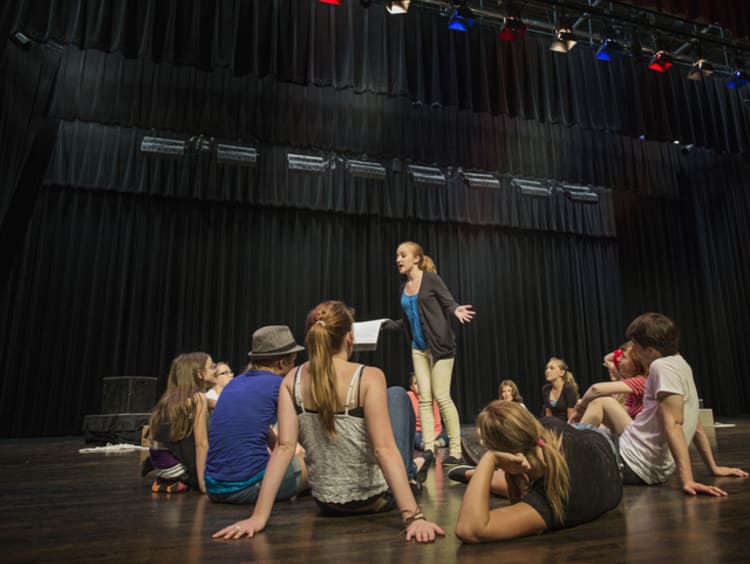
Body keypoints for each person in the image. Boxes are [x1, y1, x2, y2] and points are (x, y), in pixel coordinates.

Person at [213, 300, 444, 543]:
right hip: (377, 500)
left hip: (326, 503)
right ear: (349, 338)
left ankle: (411, 470)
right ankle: (409, 474)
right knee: (397, 395)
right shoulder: (369, 376)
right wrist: (413, 517)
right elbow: (383, 449)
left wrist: (258, 517)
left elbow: (283, 449)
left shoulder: (292, 380)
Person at [577, 313, 747, 495]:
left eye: (635, 345)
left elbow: (673, 424)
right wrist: (713, 467)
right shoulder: (681, 364)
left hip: (629, 460)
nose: (633, 350)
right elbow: (695, 424)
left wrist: (687, 480)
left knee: (564, 442)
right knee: (572, 436)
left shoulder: (661, 367)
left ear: (650, 350)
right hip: (629, 451)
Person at [454, 401, 622, 542]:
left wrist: (489, 459)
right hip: (598, 443)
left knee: (519, 481)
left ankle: (476, 474)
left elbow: (469, 529)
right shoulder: (548, 427)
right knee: (524, 476)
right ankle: (474, 474)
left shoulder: (549, 502)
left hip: (603, 450)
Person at [388, 241, 475, 467]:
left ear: (416, 259)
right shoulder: (403, 289)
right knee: (424, 398)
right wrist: (386, 325)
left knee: (442, 397)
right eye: (397, 256)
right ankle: (428, 449)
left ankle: (455, 450)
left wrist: (456, 309)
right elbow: (409, 319)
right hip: (418, 348)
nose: (398, 259)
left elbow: (448, 302)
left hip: (441, 347)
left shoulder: (431, 279)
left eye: (403, 255)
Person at [205, 327, 308, 504]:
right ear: (282, 363)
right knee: (315, 468)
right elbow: (302, 433)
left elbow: (258, 428)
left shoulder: (233, 384)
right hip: (246, 487)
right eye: (293, 362)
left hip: (213, 488)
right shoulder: (279, 385)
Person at [147, 352, 214, 493]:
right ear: (200, 374)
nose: (215, 369)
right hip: (177, 470)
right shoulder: (198, 399)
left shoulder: (169, 399)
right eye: (212, 366)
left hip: (161, 468)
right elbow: (201, 443)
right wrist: (202, 482)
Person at [570, 341, 647, 427]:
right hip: (632, 430)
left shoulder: (642, 381)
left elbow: (596, 389)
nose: (618, 359)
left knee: (603, 400)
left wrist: (581, 407)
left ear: (636, 363)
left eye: (623, 357)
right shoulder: (633, 391)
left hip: (640, 435)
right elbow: (620, 418)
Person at [407, 373, 448, 450]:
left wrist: (431, 438)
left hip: (432, 433)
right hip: (417, 432)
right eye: (416, 383)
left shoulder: (432, 399)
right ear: (412, 387)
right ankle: (424, 446)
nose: (420, 386)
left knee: (458, 432)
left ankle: (437, 443)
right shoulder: (409, 396)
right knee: (414, 437)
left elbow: (437, 425)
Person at [541, 357, 578, 421]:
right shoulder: (546, 389)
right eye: (546, 368)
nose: (547, 371)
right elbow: (548, 414)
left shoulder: (568, 389)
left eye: (552, 368)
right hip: (553, 425)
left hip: (566, 425)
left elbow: (571, 417)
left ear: (561, 373)